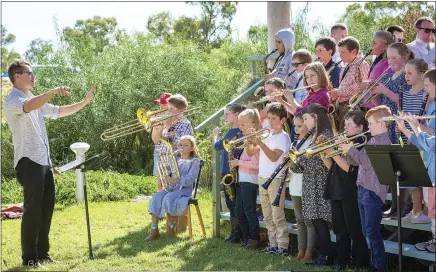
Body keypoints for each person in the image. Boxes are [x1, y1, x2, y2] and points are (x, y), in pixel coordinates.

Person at [3, 59, 96, 268]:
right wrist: (52, 91)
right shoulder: (13, 100)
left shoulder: (33, 99)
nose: (33, 76)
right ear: (17, 76)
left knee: (46, 209)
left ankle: (43, 253)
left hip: (44, 163)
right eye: (29, 73)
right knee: (33, 210)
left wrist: (84, 102)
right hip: (28, 162)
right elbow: (29, 106)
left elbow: (59, 111)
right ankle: (29, 258)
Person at [339, 105, 393, 272]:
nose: (368, 126)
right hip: (363, 188)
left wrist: (351, 149)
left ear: (382, 124)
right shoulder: (372, 139)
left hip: (373, 191)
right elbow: (355, 162)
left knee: (372, 232)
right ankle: (374, 263)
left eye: (370, 123)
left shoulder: (383, 141)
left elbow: (366, 163)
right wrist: (347, 151)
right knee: (366, 230)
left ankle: (379, 266)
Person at [320, 110, 370, 270]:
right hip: (336, 187)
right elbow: (332, 167)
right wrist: (324, 154)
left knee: (355, 229)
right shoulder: (345, 142)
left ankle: (359, 262)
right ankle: (342, 260)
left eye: (349, 125)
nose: (345, 128)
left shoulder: (360, 143)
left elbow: (349, 168)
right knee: (340, 229)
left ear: (360, 127)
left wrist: (332, 153)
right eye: (345, 124)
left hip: (350, 190)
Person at [287, 103, 334, 266]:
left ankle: (327, 256)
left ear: (315, 118)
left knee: (320, 222)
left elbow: (321, 164)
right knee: (316, 222)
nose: (305, 123)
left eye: (306, 119)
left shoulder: (325, 135)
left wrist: (301, 161)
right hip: (310, 185)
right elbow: (301, 168)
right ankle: (324, 255)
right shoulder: (314, 135)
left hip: (320, 184)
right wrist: (292, 162)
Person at [248, 102, 291, 256]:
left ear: (283, 120)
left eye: (274, 118)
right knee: (267, 214)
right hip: (263, 177)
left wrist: (259, 142)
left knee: (277, 214)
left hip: (276, 179)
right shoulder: (267, 135)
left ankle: (282, 246)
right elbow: (252, 152)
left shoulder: (283, 137)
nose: (270, 121)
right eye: (270, 118)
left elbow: (273, 157)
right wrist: (250, 139)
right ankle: (272, 244)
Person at [145, 135, 201, 240]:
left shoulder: (195, 162)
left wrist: (176, 180)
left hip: (185, 190)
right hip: (172, 188)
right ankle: (154, 230)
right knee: (155, 197)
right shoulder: (176, 159)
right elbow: (169, 173)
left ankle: (171, 228)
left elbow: (190, 179)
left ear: (192, 148)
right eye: (180, 145)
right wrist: (165, 170)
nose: (182, 147)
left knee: (169, 198)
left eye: (185, 145)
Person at [396, 113, 435, 253]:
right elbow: (422, 143)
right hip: (432, 176)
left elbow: (429, 144)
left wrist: (417, 127)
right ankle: (435, 239)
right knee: (433, 212)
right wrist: (405, 129)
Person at [213, 103, 246, 243]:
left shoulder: (233, 132)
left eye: (227, 114)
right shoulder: (238, 131)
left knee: (232, 203)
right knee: (233, 203)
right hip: (232, 172)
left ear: (236, 114)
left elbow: (217, 145)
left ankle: (236, 233)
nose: (225, 117)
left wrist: (216, 136)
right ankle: (235, 233)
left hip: (232, 172)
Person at [371, 42, 415, 145]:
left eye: (393, 58)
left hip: (399, 122)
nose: (390, 61)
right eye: (388, 58)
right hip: (387, 122)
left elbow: (404, 101)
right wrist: (372, 94)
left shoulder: (408, 77)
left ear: (405, 57)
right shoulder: (387, 77)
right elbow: (379, 105)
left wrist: (384, 90)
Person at [288, 113, 316, 262]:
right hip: (294, 184)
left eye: (299, 125)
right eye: (295, 126)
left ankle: (309, 252)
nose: (296, 129)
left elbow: (307, 166)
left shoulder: (311, 142)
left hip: (307, 185)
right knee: (299, 219)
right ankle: (301, 250)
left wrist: (293, 164)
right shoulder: (294, 144)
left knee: (309, 220)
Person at [232, 109, 261, 249]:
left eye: (243, 125)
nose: (240, 128)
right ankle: (246, 237)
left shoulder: (257, 140)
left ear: (253, 124)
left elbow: (256, 165)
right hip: (241, 178)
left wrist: (239, 163)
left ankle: (254, 239)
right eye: (240, 124)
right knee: (239, 210)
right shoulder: (246, 139)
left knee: (249, 210)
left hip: (250, 179)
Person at [152, 94, 194, 190]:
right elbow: (157, 140)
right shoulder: (168, 122)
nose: (168, 111)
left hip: (177, 163)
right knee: (161, 190)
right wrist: (157, 127)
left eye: (171, 108)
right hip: (164, 160)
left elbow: (184, 146)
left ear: (180, 110)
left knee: (174, 192)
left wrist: (169, 126)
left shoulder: (185, 124)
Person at [330, 37, 370, 132]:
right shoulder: (345, 66)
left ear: (354, 52)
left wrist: (339, 92)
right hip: (342, 107)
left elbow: (363, 86)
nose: (340, 56)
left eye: (343, 52)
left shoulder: (361, 64)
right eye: (339, 52)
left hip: (353, 108)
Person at [363, 31, 395, 110]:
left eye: (374, 43)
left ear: (384, 46)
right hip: (371, 105)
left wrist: (367, 84)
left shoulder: (387, 63)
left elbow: (386, 84)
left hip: (378, 107)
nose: (371, 45)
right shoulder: (378, 60)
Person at [152, 93, 172, 191]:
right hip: (159, 151)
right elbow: (155, 140)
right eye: (160, 103)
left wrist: (165, 122)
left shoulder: (175, 117)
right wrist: (158, 126)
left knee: (169, 182)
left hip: (171, 153)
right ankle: (161, 204)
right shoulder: (157, 118)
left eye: (163, 104)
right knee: (160, 183)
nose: (160, 106)